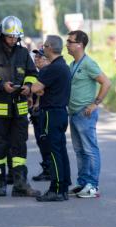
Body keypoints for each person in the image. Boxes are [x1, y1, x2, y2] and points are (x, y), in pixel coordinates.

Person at [0, 15, 40, 197]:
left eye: (15, 37)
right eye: (10, 36)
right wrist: (2, 85)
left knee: (19, 147)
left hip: (19, 109)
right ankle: (1, 182)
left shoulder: (23, 53)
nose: (13, 40)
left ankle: (20, 184)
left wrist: (27, 86)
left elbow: (31, 73)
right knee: (0, 148)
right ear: (3, 35)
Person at [66, 30, 110, 198]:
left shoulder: (88, 64)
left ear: (80, 45)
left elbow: (106, 83)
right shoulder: (72, 65)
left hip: (85, 113)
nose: (67, 44)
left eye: (70, 41)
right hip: (74, 113)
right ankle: (83, 182)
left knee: (90, 150)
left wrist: (95, 103)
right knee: (79, 150)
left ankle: (93, 186)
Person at [29, 35, 71, 201]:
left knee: (53, 152)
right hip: (60, 112)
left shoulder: (53, 68)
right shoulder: (62, 66)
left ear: (50, 47)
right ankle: (64, 186)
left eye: (45, 46)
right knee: (60, 151)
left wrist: (31, 88)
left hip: (51, 114)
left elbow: (36, 88)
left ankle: (56, 190)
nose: (43, 48)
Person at [30, 48, 52, 182]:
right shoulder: (40, 72)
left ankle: (49, 169)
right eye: (36, 56)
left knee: (45, 141)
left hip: (44, 112)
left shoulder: (46, 72)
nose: (36, 59)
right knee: (41, 141)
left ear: (48, 60)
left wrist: (37, 102)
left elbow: (41, 92)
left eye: (40, 57)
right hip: (38, 113)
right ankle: (47, 168)